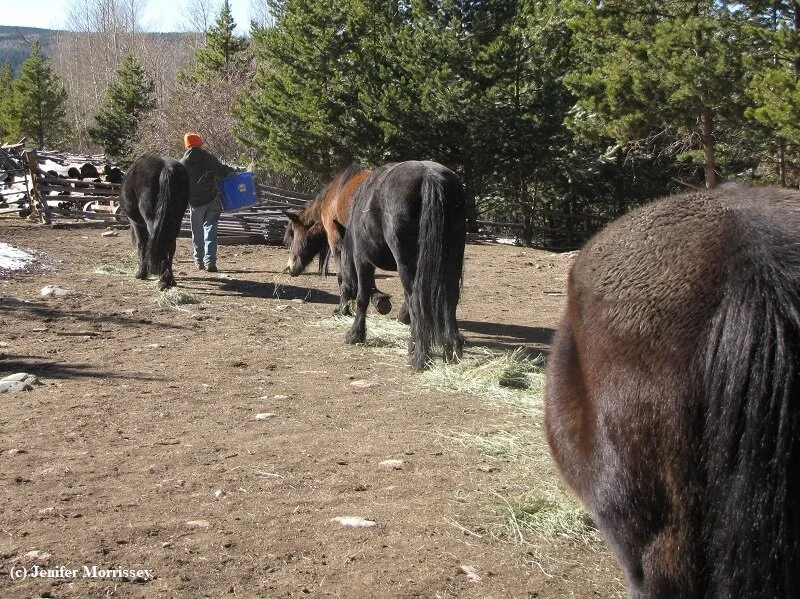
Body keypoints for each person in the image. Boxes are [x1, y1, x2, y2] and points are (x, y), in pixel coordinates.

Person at [180, 132, 234, 272]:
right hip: (211, 199)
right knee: (210, 230)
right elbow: (223, 171)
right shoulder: (208, 158)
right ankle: (210, 262)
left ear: (186, 145)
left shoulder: (182, 163)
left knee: (196, 232)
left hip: (195, 203)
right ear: (200, 143)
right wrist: (234, 171)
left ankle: (199, 261)